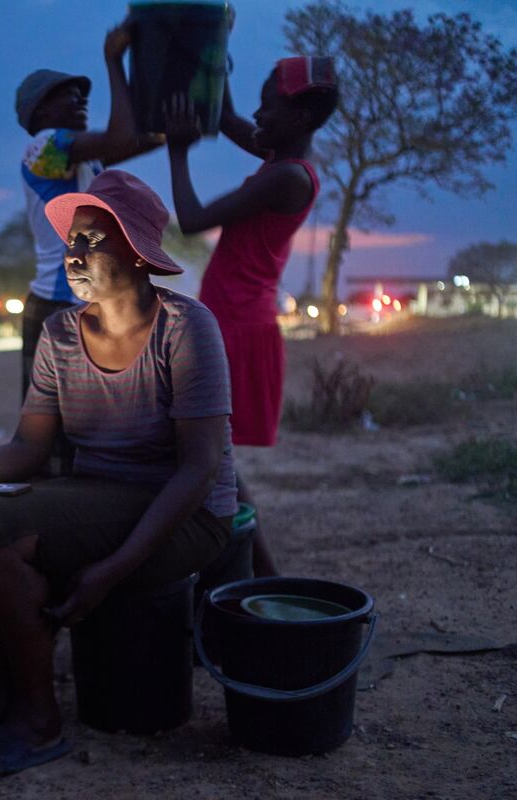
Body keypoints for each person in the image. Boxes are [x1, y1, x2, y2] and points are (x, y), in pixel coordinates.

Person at [0, 170, 236, 779]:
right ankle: (8, 700)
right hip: (97, 496)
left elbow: (200, 467)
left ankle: (39, 720)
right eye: (71, 243)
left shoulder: (185, 328)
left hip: (186, 512)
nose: (73, 256)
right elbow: (28, 446)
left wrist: (110, 571)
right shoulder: (59, 333)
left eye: (92, 242)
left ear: (136, 250)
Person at [164, 56, 338, 576]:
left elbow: (192, 220)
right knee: (212, 459)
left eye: (270, 103)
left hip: (236, 327)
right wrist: (213, 68)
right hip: (235, 319)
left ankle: (259, 580)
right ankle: (253, 578)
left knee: (211, 459)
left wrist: (177, 152)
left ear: (300, 117)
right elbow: (230, 120)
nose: (258, 112)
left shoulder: (284, 177)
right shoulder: (282, 157)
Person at [16, 22, 165, 403]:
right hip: (59, 303)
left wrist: (174, 125)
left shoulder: (84, 158)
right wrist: (114, 61)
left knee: (87, 422)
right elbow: (122, 136)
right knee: (54, 428)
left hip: (83, 299)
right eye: (69, 96)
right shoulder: (41, 147)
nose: (82, 101)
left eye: (82, 96)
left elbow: (136, 138)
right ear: (40, 111)